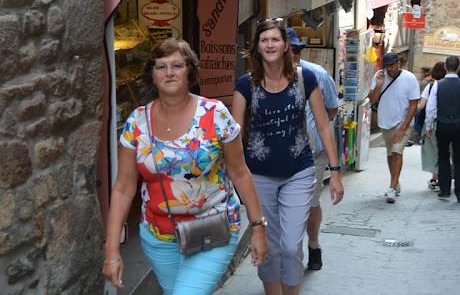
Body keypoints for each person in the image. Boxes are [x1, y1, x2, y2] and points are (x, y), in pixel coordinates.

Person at [102, 38, 268, 294]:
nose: (169, 72)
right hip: (158, 237)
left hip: (212, 230)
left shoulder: (215, 114)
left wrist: (258, 228)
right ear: (152, 75)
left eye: (177, 65)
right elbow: (124, 188)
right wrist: (112, 250)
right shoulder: (137, 122)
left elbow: (240, 173)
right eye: (161, 66)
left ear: (189, 71)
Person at [231, 19, 344, 295]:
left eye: (275, 40)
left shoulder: (306, 79)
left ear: (285, 47)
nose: (270, 45)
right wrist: (231, 178)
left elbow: (322, 126)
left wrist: (336, 171)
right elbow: (231, 135)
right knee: (268, 245)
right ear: (257, 47)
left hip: (299, 171)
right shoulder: (245, 85)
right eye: (264, 40)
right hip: (259, 176)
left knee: (291, 246)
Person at [287, 27, 339, 271]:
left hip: (311, 155)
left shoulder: (316, 74)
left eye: (298, 50)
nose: (294, 55)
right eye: (290, 50)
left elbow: (331, 111)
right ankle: (289, 252)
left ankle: (314, 245)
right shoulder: (261, 78)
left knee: (311, 204)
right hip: (279, 156)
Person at [367, 52, 420, 203]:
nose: (389, 69)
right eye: (386, 66)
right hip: (385, 121)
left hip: (403, 121)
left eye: (391, 65)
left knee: (397, 152)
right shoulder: (380, 76)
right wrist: (377, 85)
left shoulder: (409, 78)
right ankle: (395, 182)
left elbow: (414, 104)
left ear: (398, 64)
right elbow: (372, 100)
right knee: (390, 155)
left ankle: (391, 188)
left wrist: (403, 127)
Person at [425, 56, 460, 203]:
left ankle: (444, 189)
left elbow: (431, 108)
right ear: (459, 67)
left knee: (443, 156)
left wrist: (429, 126)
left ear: (445, 68)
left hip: (443, 123)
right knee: (459, 159)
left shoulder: (438, 85)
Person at [417, 61, 446, 191]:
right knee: (444, 151)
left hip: (432, 122)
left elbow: (422, 106)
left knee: (433, 150)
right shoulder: (449, 86)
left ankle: (435, 178)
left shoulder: (429, 87)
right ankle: (440, 178)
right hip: (446, 122)